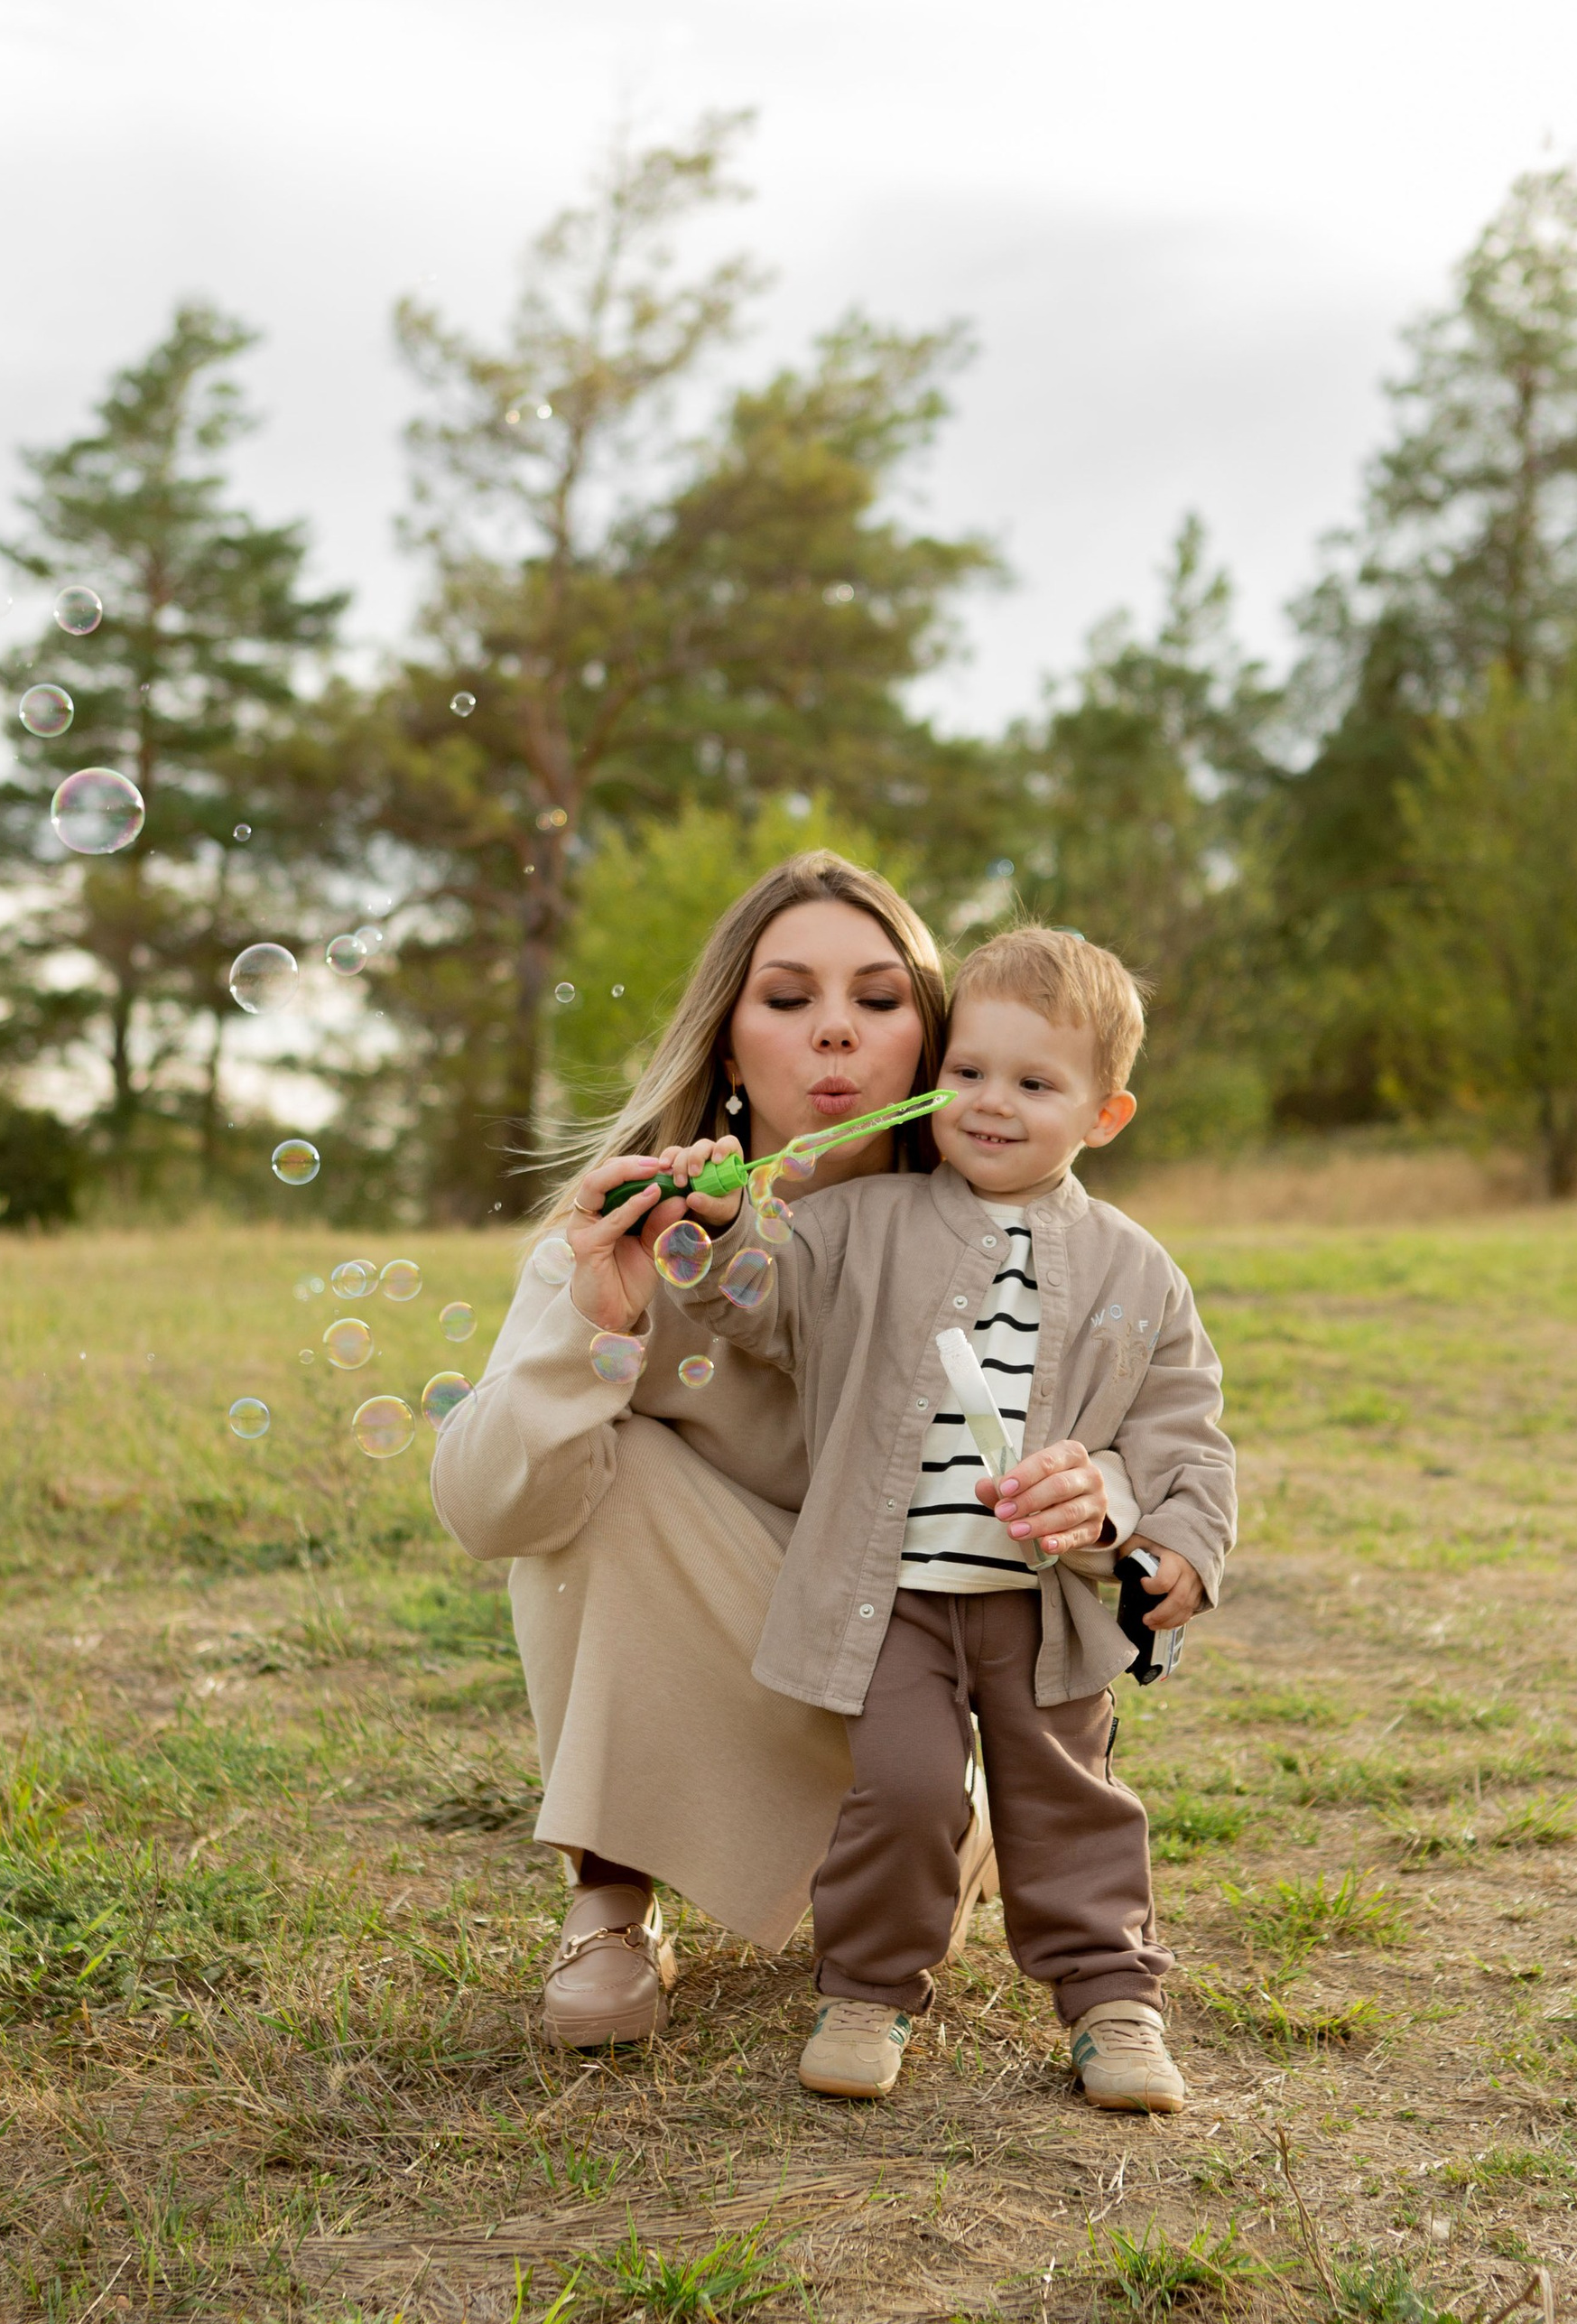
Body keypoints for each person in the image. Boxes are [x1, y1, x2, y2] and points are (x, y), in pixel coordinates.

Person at [430, 855, 1139, 2048]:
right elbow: (493, 1515)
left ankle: (932, 1842)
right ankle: (610, 1900)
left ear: (931, 1043)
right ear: (726, 1040)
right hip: (734, 1646)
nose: (833, 1037)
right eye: (787, 998)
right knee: (601, 1482)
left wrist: (1097, 1490)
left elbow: (1136, 1458)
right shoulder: (637, 1229)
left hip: (904, 1701)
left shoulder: (1011, 1238)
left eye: (876, 1000)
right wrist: (589, 1324)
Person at [661, 923, 1238, 2115]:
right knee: (909, 1786)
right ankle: (868, 1986)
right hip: (901, 1604)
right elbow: (753, 1301)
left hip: (1050, 1610)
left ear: (1103, 1115)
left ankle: (1112, 1998)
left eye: (1035, 1083)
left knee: (1070, 1795)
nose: (989, 1102)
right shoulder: (857, 1231)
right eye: (967, 1072)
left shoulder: (1140, 1274)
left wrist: (1171, 1540)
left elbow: (1184, 1434)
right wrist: (721, 1225)